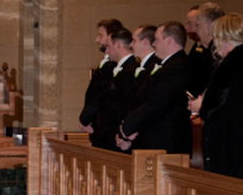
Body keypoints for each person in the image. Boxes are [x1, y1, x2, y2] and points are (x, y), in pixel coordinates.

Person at [189, 14, 243, 181]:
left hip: (229, 142)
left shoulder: (231, 63)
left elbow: (216, 102)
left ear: (223, 38)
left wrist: (201, 105)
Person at [118, 21, 191, 154]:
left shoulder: (177, 67)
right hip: (156, 139)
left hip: (166, 142)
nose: (154, 44)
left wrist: (128, 127)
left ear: (169, 41)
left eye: (157, 39)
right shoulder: (168, 65)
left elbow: (157, 102)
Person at [81, 28, 137, 151]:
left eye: (109, 47)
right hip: (107, 133)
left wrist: (121, 134)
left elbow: (125, 105)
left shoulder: (131, 70)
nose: (106, 51)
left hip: (116, 134)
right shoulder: (118, 69)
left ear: (118, 45)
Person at [80, 19, 123, 140]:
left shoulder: (115, 65)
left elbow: (103, 96)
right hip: (97, 125)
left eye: (100, 35)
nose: (96, 40)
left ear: (111, 36)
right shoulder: (106, 61)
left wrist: (86, 117)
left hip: (107, 128)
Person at [186, 2, 224, 96]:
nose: (195, 29)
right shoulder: (200, 47)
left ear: (210, 24)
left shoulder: (221, 51)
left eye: (197, 25)